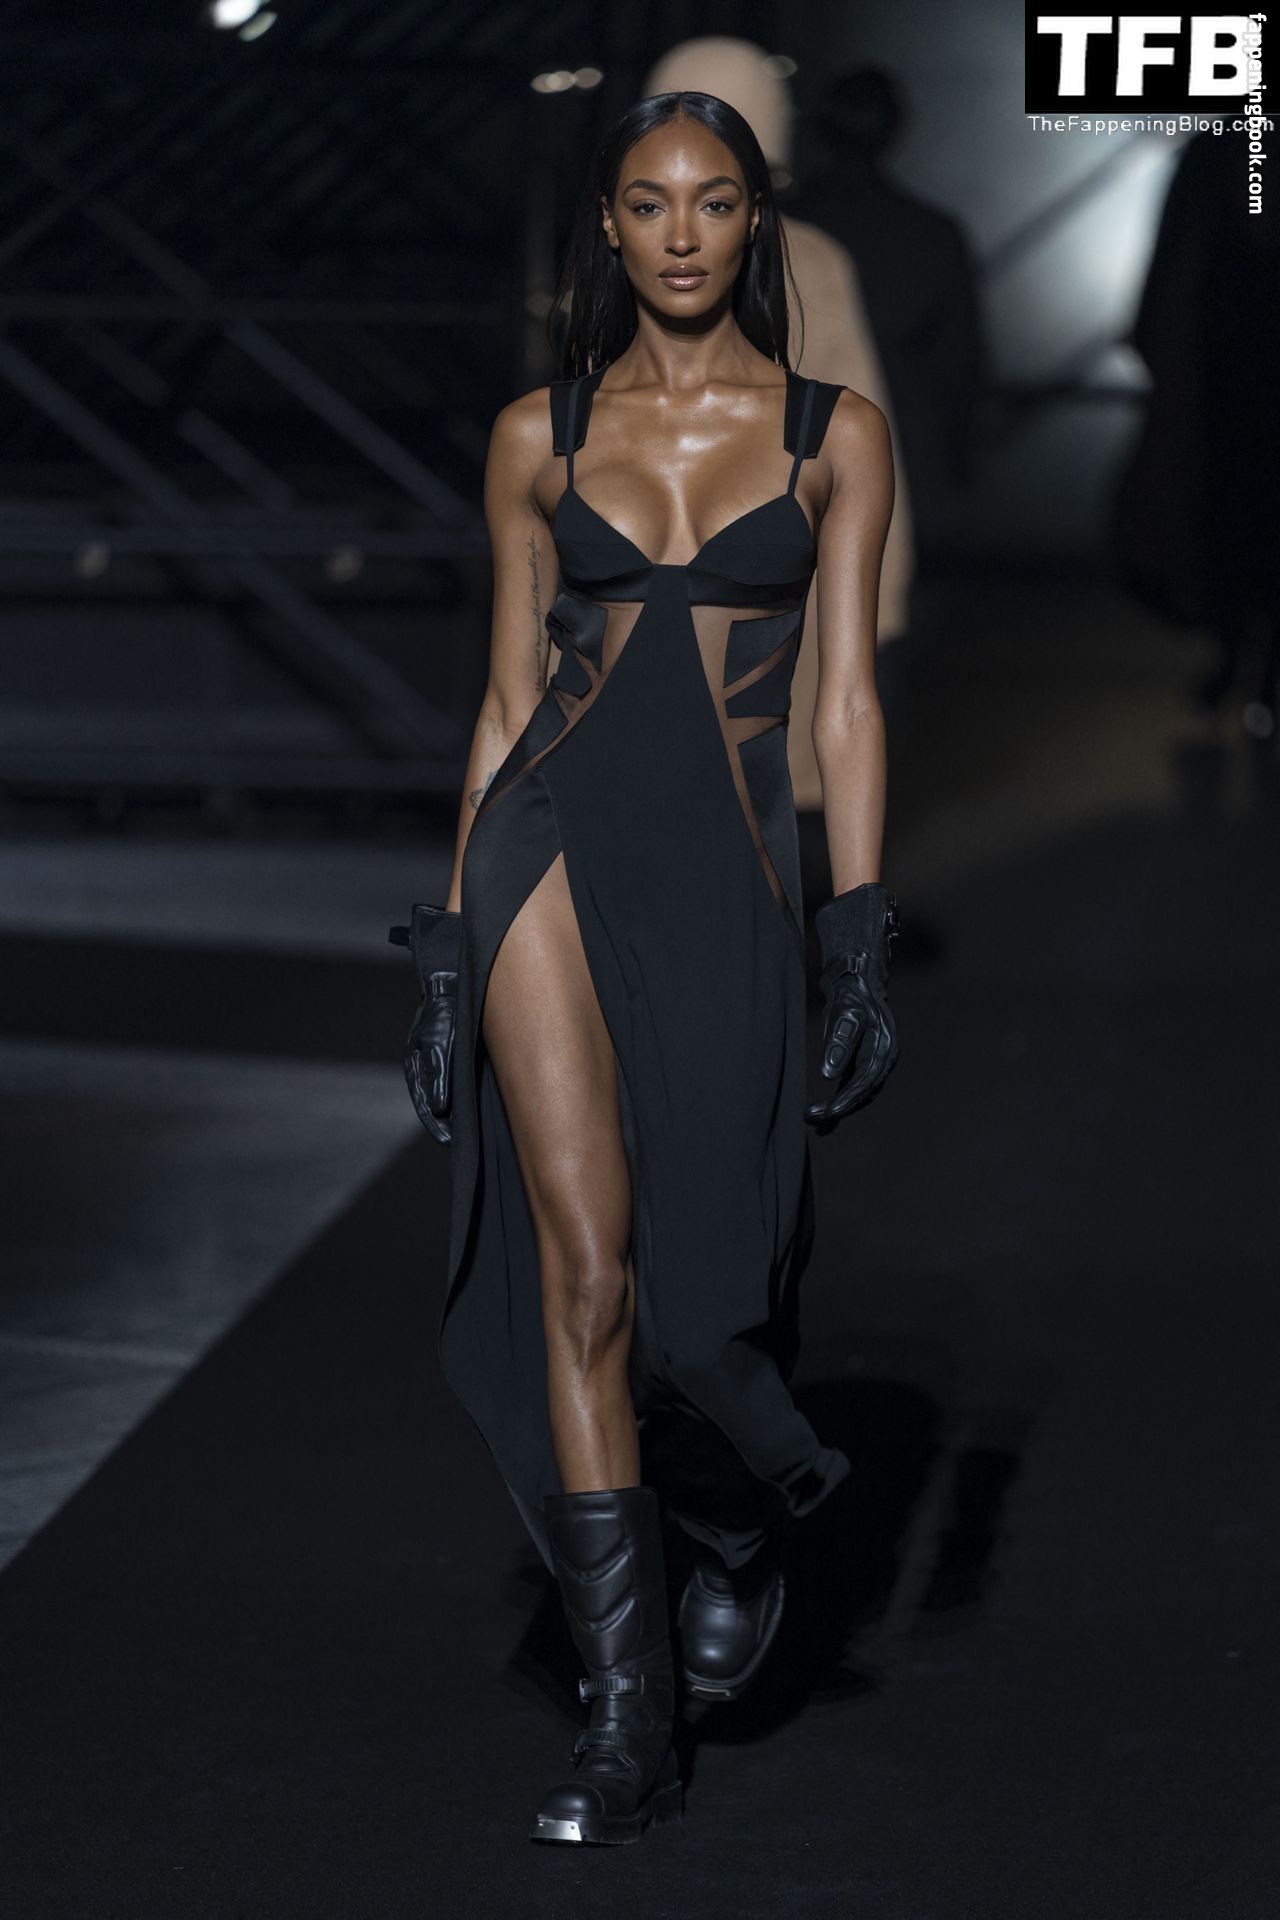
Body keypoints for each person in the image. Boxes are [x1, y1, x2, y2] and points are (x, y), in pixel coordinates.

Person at [389, 90, 900, 1847]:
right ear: (607, 227)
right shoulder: (537, 435)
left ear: (756, 222)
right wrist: (449, 950)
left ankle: (744, 1523)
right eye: (649, 203)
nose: (683, 233)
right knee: (588, 1277)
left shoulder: (834, 436)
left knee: (702, 1304)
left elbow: (846, 701)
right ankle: (630, 1726)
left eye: (715, 201)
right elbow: (501, 700)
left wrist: (858, 930)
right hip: (544, 846)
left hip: (730, 874)